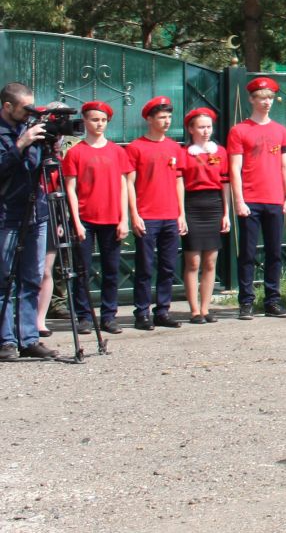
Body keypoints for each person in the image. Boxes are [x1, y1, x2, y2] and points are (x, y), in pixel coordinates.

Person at [60, 102, 132, 335]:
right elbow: (70, 188)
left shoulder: (117, 152)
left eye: (102, 120)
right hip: (86, 220)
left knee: (111, 270)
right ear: (85, 121)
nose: (99, 124)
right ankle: (84, 316)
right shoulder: (75, 152)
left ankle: (109, 316)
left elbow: (123, 185)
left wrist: (124, 219)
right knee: (83, 270)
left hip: (111, 219)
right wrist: (76, 221)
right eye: (94, 120)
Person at [0, 83, 58, 360]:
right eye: (26, 109)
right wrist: (21, 143)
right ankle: (6, 341)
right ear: (8, 106)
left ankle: (29, 338)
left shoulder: (33, 129)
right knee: (4, 280)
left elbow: (41, 168)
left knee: (32, 278)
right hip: (7, 213)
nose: (30, 114)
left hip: (36, 211)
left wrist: (49, 146)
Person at [228, 76, 286, 319]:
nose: (267, 102)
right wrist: (239, 200)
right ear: (251, 100)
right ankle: (246, 301)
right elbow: (234, 168)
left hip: (275, 198)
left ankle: (272, 300)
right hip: (251, 199)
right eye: (261, 98)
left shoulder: (280, 130)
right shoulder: (239, 131)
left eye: (270, 98)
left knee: (274, 251)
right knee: (247, 252)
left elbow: (285, 165)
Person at [124, 96, 187, 330]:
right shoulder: (135, 148)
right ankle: (141, 312)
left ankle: (163, 310)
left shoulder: (174, 147)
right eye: (162, 117)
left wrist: (181, 214)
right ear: (149, 119)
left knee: (168, 266)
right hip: (147, 215)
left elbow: (179, 180)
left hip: (170, 215)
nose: (167, 121)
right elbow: (129, 183)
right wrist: (134, 214)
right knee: (145, 267)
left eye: (169, 116)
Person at [178, 107, 228, 324]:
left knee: (210, 260)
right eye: (201, 127)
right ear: (191, 129)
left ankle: (206, 308)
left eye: (209, 126)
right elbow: (179, 184)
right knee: (193, 261)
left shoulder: (220, 152)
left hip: (214, 204)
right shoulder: (183, 153)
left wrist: (226, 213)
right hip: (192, 204)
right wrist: (181, 213)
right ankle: (194, 310)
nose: (206, 131)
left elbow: (225, 183)